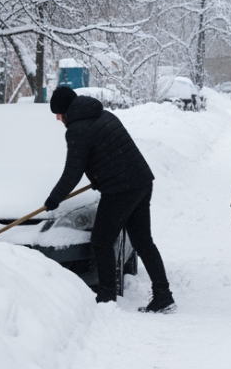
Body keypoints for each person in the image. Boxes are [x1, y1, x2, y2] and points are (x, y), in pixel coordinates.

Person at [44, 86, 174, 313]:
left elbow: (72, 172)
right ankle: (163, 295)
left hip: (121, 189)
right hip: (141, 181)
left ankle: (106, 298)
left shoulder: (77, 129)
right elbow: (109, 153)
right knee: (143, 242)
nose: (57, 118)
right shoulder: (103, 115)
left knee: (102, 241)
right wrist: (98, 176)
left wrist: (53, 199)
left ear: (65, 110)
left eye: (57, 113)